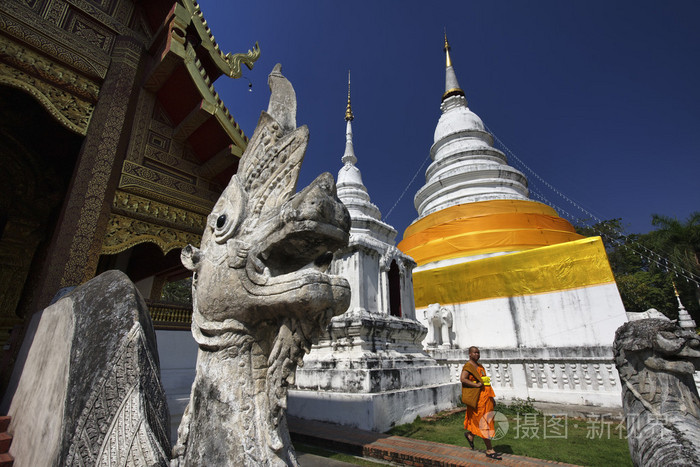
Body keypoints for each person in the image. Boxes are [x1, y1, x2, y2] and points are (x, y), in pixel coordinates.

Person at [460, 346, 501, 460]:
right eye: (475, 353)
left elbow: (486, 383)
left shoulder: (481, 367)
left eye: (478, 353)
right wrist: (476, 385)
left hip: (486, 397)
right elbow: (463, 379)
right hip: (477, 399)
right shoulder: (468, 366)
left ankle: (470, 435)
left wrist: (492, 398)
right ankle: (489, 449)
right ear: (470, 354)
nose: (477, 354)